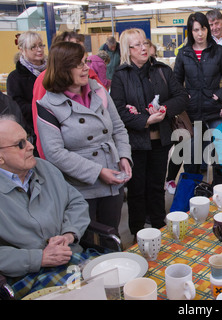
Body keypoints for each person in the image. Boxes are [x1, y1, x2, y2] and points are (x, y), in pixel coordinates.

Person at [36, 41, 132, 238]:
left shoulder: (98, 90)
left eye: (85, 61)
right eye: (79, 64)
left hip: (113, 179)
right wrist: (97, 172)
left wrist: (124, 157)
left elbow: (119, 128)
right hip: (80, 187)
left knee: (110, 236)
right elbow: (55, 153)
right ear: (63, 68)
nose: (86, 67)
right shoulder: (48, 105)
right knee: (87, 242)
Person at [0, 116, 92, 299]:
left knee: (118, 279)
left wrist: (69, 234)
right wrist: (39, 258)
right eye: (20, 144)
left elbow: (77, 203)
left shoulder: (45, 168)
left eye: (27, 139)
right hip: (28, 275)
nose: (30, 146)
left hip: (71, 257)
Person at [110, 29, 188, 234]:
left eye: (144, 43)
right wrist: (145, 120)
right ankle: (137, 234)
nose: (143, 48)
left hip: (160, 141)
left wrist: (164, 110)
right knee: (136, 191)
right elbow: (117, 112)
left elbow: (181, 96)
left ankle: (158, 228)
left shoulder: (162, 70)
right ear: (128, 49)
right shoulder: (120, 76)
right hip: (135, 143)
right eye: (136, 45)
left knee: (156, 188)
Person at [170, 11, 222, 184]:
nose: (200, 34)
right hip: (191, 113)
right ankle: (190, 195)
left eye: (203, 29)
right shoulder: (183, 53)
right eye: (195, 30)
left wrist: (219, 94)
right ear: (190, 32)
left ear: (207, 29)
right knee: (192, 157)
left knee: (219, 153)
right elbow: (175, 82)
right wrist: (184, 95)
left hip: (213, 111)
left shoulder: (219, 52)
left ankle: (218, 192)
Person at [32, 31, 104, 159]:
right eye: (73, 45)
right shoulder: (46, 80)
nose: (78, 50)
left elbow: (106, 109)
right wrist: (46, 161)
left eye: (80, 46)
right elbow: (42, 125)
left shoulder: (90, 75)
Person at [7, 31, 47, 154]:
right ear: (22, 50)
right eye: (33, 47)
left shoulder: (52, 71)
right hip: (34, 130)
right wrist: (44, 108)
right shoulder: (15, 77)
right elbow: (17, 106)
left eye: (41, 45)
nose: (39, 50)